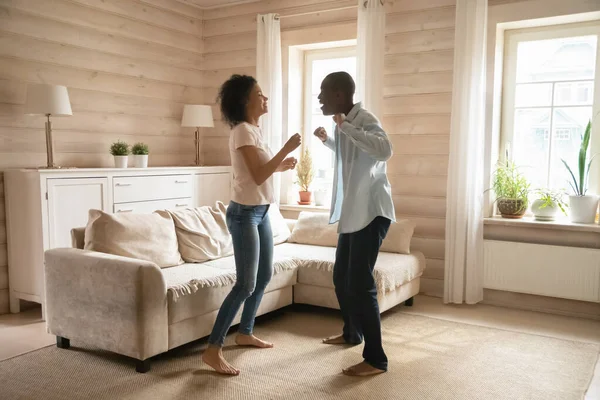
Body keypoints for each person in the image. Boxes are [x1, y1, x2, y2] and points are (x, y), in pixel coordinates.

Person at [202, 74, 301, 375]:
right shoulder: (243, 131)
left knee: (264, 274)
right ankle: (212, 349)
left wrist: (280, 164)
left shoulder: (254, 131)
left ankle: (245, 332)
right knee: (245, 283)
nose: (265, 98)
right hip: (244, 213)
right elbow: (258, 176)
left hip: (261, 211)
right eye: (260, 94)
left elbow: (256, 172)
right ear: (246, 101)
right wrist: (286, 149)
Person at [313, 71, 395, 377]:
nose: (319, 98)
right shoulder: (345, 124)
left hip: (372, 213)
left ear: (338, 94)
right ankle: (352, 332)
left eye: (322, 92)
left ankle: (376, 359)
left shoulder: (363, 118)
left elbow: (384, 150)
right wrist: (329, 141)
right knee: (340, 278)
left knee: (360, 285)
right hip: (354, 214)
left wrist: (345, 127)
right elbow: (353, 155)